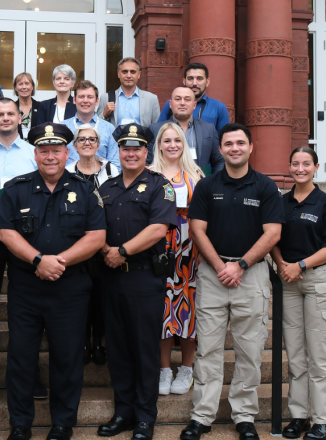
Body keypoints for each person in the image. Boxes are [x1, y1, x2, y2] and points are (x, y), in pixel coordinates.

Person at [0, 123, 106, 440]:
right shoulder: (16, 188)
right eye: (44, 150)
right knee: (20, 358)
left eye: (56, 150)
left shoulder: (85, 190)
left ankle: (62, 424)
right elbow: (6, 232)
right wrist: (38, 260)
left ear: (66, 153)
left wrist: (60, 262)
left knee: (67, 358)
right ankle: (20, 424)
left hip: (70, 289)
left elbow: (97, 237)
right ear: (35, 153)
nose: (50, 156)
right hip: (26, 289)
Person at [180, 123, 284, 440]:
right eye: (229, 144)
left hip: (251, 276)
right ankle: (202, 416)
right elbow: (197, 229)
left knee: (250, 349)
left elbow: (273, 233)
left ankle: (244, 416)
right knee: (208, 349)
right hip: (213, 275)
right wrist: (220, 265)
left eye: (241, 143)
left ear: (251, 147)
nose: (235, 148)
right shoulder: (208, 185)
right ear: (221, 149)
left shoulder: (265, 187)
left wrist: (240, 265)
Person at [96, 123, 177, 440]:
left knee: (144, 349)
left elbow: (159, 229)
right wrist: (106, 250)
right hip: (111, 278)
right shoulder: (107, 188)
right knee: (117, 348)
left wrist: (123, 251)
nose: (131, 153)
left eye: (137, 148)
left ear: (147, 152)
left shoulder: (160, 186)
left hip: (144, 279)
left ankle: (145, 417)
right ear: (118, 151)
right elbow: (94, 227)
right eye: (126, 148)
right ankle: (123, 412)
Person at [0, 98, 47, 399]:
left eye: (10, 114)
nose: (5, 118)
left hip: (25, 239)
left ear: (20, 118)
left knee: (27, 310)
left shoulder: (34, 154)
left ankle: (31, 375)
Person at [272, 146, 326, 440]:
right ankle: (299, 416)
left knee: (320, 354)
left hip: (317, 281)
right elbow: (272, 236)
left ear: (316, 167)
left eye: (306, 164)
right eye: (295, 163)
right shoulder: (282, 202)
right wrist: (282, 265)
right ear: (289, 167)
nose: (300, 168)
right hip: (289, 282)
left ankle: (325, 420)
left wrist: (300, 264)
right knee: (296, 354)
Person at [146, 123, 202, 396]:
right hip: (159, 252)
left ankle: (187, 368)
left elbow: (205, 216)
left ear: (183, 144)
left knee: (188, 309)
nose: (171, 145)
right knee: (162, 310)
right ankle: (165, 369)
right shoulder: (149, 175)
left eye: (176, 140)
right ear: (158, 145)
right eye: (166, 140)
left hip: (189, 253)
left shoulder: (196, 175)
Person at [65, 123, 119, 365]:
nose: (87, 143)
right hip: (75, 245)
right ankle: (83, 342)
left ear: (99, 144)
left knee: (101, 298)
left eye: (92, 139)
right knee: (79, 298)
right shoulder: (66, 172)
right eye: (82, 139)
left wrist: (106, 244)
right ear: (75, 145)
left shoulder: (111, 170)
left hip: (106, 245)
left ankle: (99, 342)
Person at [148, 87, 224, 175]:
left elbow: (219, 162)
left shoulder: (208, 129)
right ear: (170, 104)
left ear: (194, 105)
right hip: (165, 185)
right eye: (178, 99)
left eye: (187, 99)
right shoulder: (155, 129)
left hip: (200, 185)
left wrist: (212, 184)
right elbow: (148, 161)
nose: (182, 103)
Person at [157, 63, 231, 134]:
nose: (194, 83)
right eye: (190, 78)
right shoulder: (172, 104)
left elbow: (223, 139)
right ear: (184, 81)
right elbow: (159, 132)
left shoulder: (219, 108)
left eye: (199, 79)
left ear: (207, 82)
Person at [63, 80, 120, 170]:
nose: (85, 101)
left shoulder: (109, 128)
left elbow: (115, 163)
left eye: (90, 97)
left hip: (101, 181)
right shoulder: (63, 127)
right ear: (74, 100)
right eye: (81, 97)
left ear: (97, 101)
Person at [97, 57, 161, 128]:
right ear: (118, 74)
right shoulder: (106, 98)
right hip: (115, 139)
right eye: (124, 72)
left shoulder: (151, 99)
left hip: (142, 139)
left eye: (133, 72)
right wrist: (104, 114)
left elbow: (157, 128)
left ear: (139, 74)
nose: (128, 76)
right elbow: (97, 127)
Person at [14, 72, 39, 140]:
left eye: (27, 84)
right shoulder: (11, 108)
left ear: (32, 87)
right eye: (20, 84)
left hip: (36, 148)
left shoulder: (40, 107)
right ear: (15, 88)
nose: (24, 87)